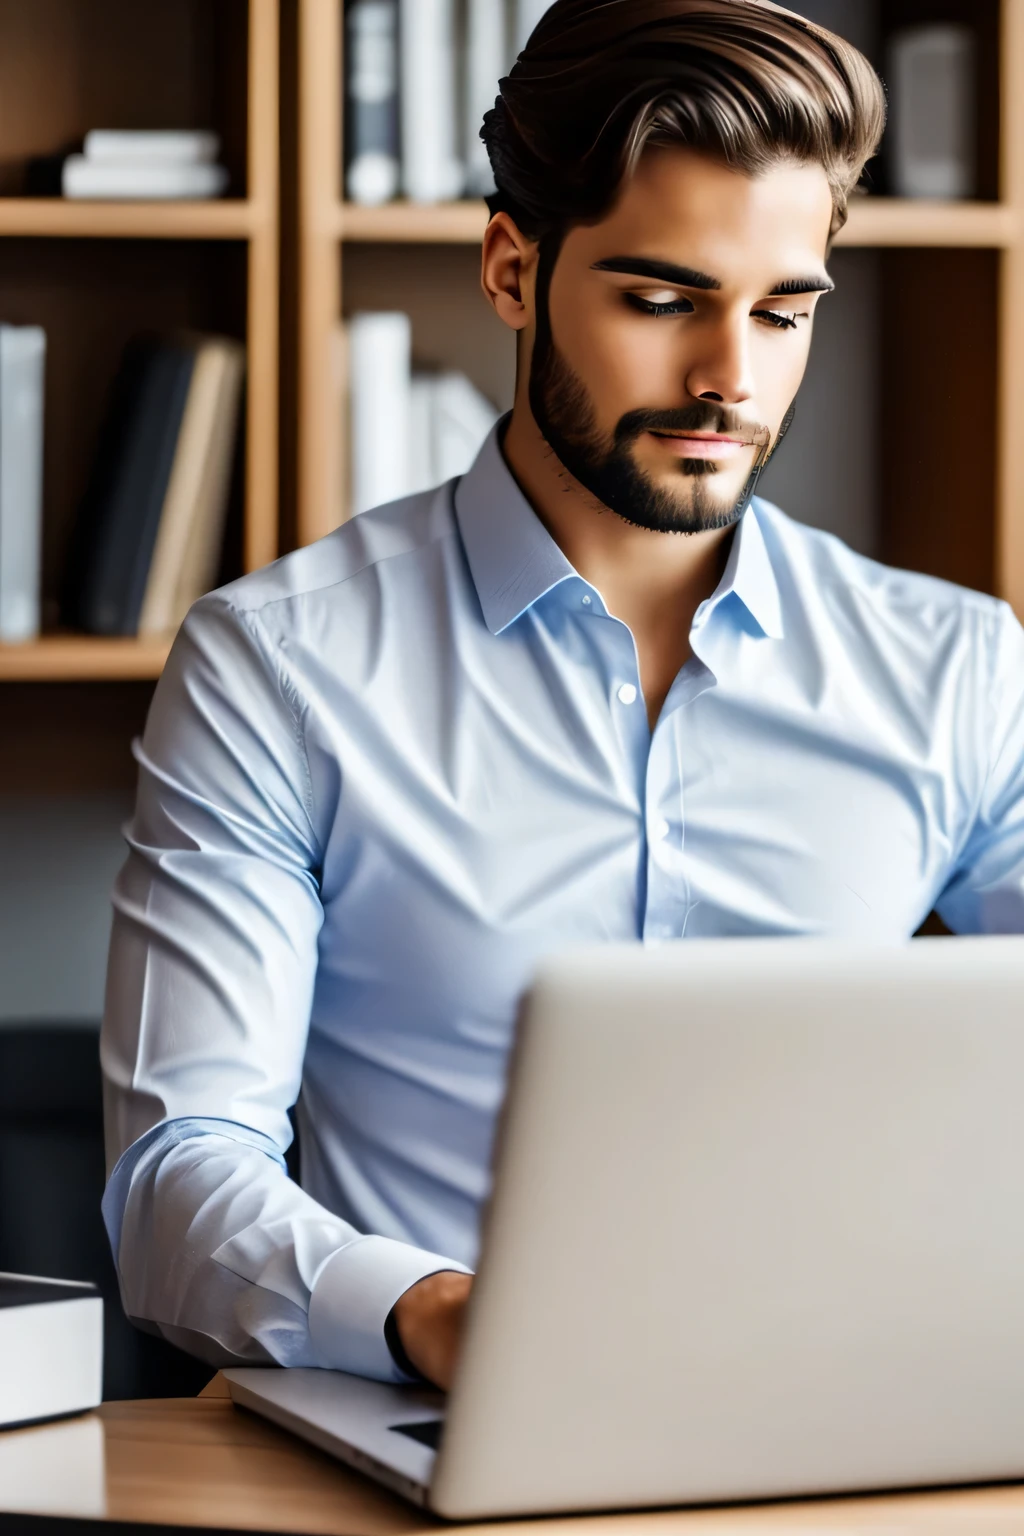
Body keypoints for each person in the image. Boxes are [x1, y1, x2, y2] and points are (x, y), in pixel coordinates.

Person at [101, 0, 1024, 1396]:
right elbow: (177, 1188)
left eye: (782, 312)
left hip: (850, 1428)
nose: (730, 379)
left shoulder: (955, 668)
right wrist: (446, 1319)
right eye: (662, 301)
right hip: (431, 1430)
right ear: (513, 269)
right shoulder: (278, 671)